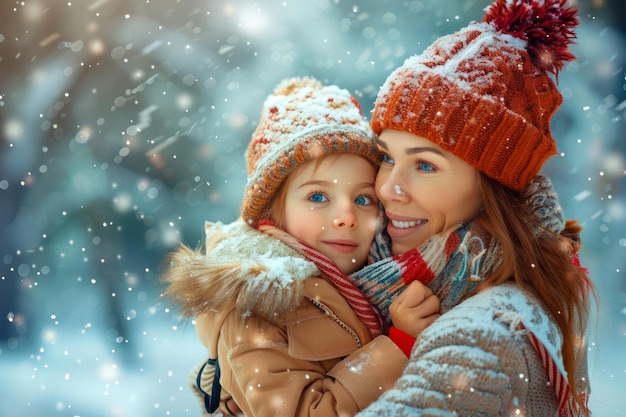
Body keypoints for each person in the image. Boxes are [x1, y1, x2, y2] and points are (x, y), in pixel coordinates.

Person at [348, 0, 595, 416]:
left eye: (425, 165)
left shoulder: (484, 334)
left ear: (491, 186)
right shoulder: (400, 276)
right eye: (388, 157)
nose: (389, 188)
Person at [161, 77, 440, 416]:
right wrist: (398, 347)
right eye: (318, 197)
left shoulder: (374, 274)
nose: (346, 217)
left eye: (363, 198)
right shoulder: (256, 304)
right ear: (273, 212)